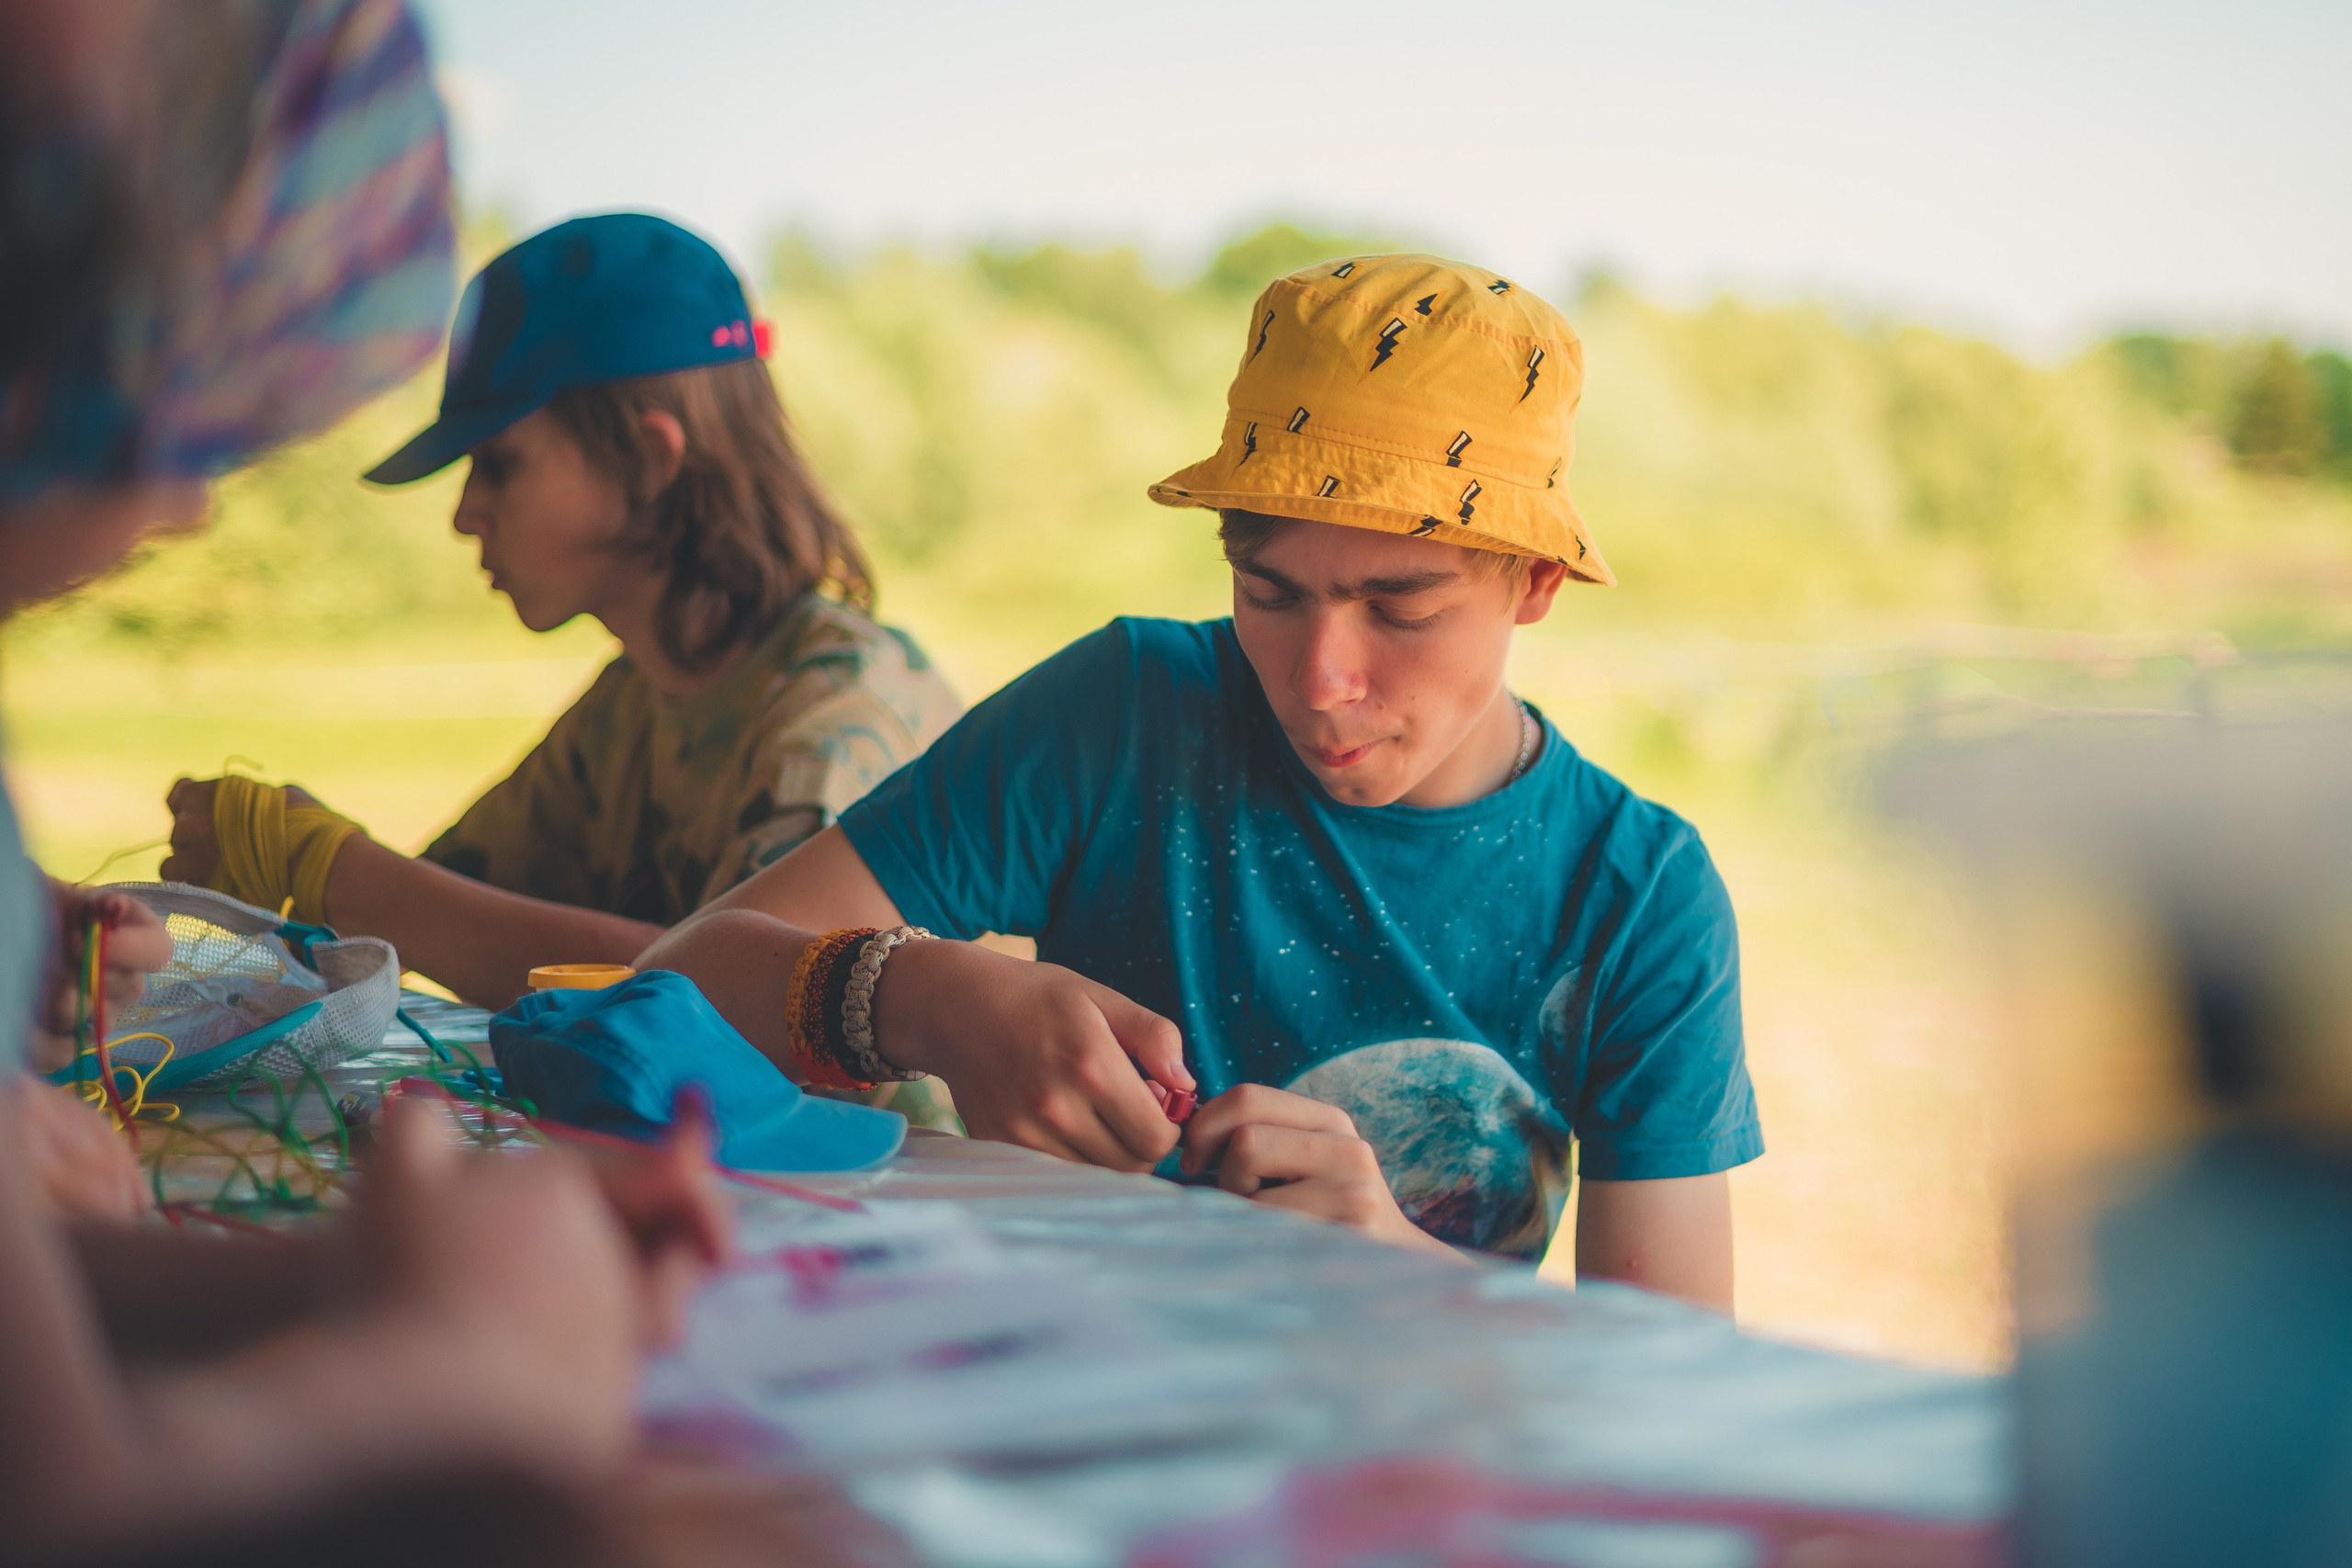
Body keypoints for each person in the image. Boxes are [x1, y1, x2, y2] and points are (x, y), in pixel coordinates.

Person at [641, 254, 1764, 1304]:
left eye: (1399, 606)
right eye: (1268, 592)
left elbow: (1662, 1371)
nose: (1321, 679)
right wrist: (920, 993)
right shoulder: (1123, 716)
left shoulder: (1635, 893)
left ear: (1535, 582)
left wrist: (1400, 1271)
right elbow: (674, 983)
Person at [0, 5, 733, 1562]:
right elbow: (69, 1504)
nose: (194, 503)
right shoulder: (619, 716)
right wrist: (470, 1364)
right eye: (178, 406)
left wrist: (355, 1286)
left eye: (498, 465)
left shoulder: (821, 715)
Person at [155, 212, 963, 1111]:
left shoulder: (840, 718)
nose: (466, 514)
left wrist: (348, 875)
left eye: (499, 464)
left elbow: (744, 1012)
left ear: (650, 461)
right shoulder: (637, 704)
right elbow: (455, 898)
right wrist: (301, 886)